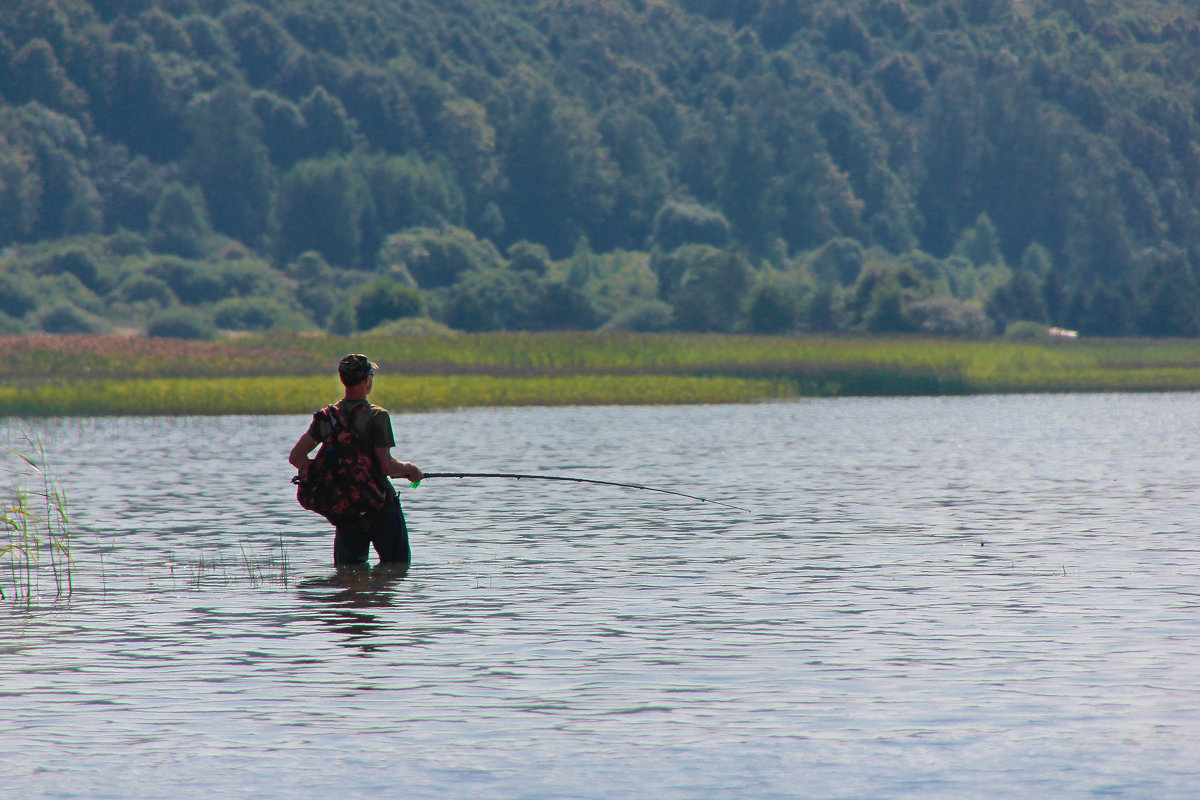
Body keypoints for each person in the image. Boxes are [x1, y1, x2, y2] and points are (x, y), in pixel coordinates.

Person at [289, 354, 423, 566]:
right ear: (367, 380)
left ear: (343, 380)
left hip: (345, 509)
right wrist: (410, 469)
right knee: (396, 568)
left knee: (348, 573)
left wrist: (320, 470)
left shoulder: (327, 417)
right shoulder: (377, 416)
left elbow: (296, 457)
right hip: (380, 505)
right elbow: (386, 466)